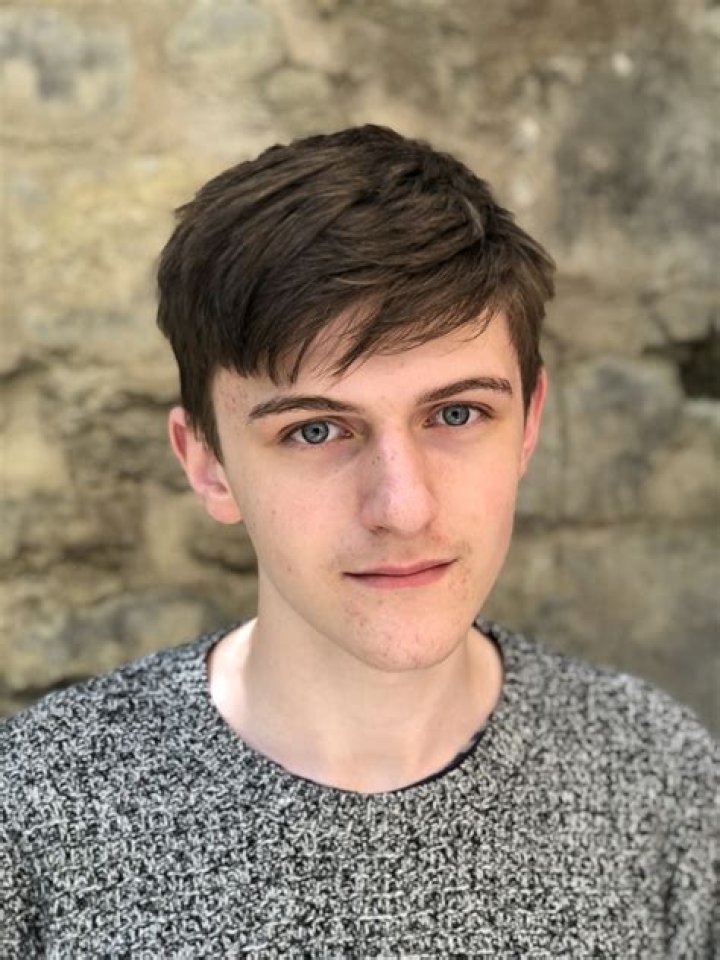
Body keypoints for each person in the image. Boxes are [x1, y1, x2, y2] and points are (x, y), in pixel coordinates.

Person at [1, 125, 716, 957]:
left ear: (528, 425)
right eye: (315, 430)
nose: (402, 508)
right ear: (208, 464)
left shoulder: (658, 774)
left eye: (457, 414)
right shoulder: (36, 807)